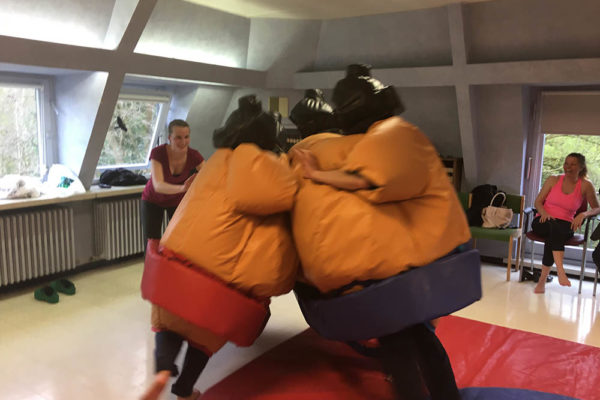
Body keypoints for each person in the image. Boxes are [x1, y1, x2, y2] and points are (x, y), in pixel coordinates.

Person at [289, 65, 470, 400]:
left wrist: (316, 174)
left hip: (404, 261)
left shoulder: (390, 134)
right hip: (410, 257)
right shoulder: (388, 134)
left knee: (399, 339)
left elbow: (370, 180)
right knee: (415, 334)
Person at [140, 95, 299, 400]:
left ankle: (163, 368)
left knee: (169, 323)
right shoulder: (274, 174)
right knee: (204, 338)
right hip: (220, 280)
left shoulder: (215, 161)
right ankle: (185, 388)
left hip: (177, 262)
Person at [531, 153, 600, 294]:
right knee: (552, 226)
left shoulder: (586, 185)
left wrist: (583, 214)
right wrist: (544, 213)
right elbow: (538, 202)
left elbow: (597, 208)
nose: (568, 167)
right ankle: (560, 271)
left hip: (565, 225)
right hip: (543, 221)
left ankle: (542, 283)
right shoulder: (553, 179)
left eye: (573, 164)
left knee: (553, 235)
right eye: (566, 163)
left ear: (581, 167)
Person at [141, 119, 204, 246]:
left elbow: (210, 174)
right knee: (151, 242)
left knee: (179, 240)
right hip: (153, 200)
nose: (183, 142)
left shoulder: (194, 155)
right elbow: (158, 185)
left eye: (186, 137)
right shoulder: (158, 153)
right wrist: (183, 188)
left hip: (176, 201)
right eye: (178, 138)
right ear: (169, 138)